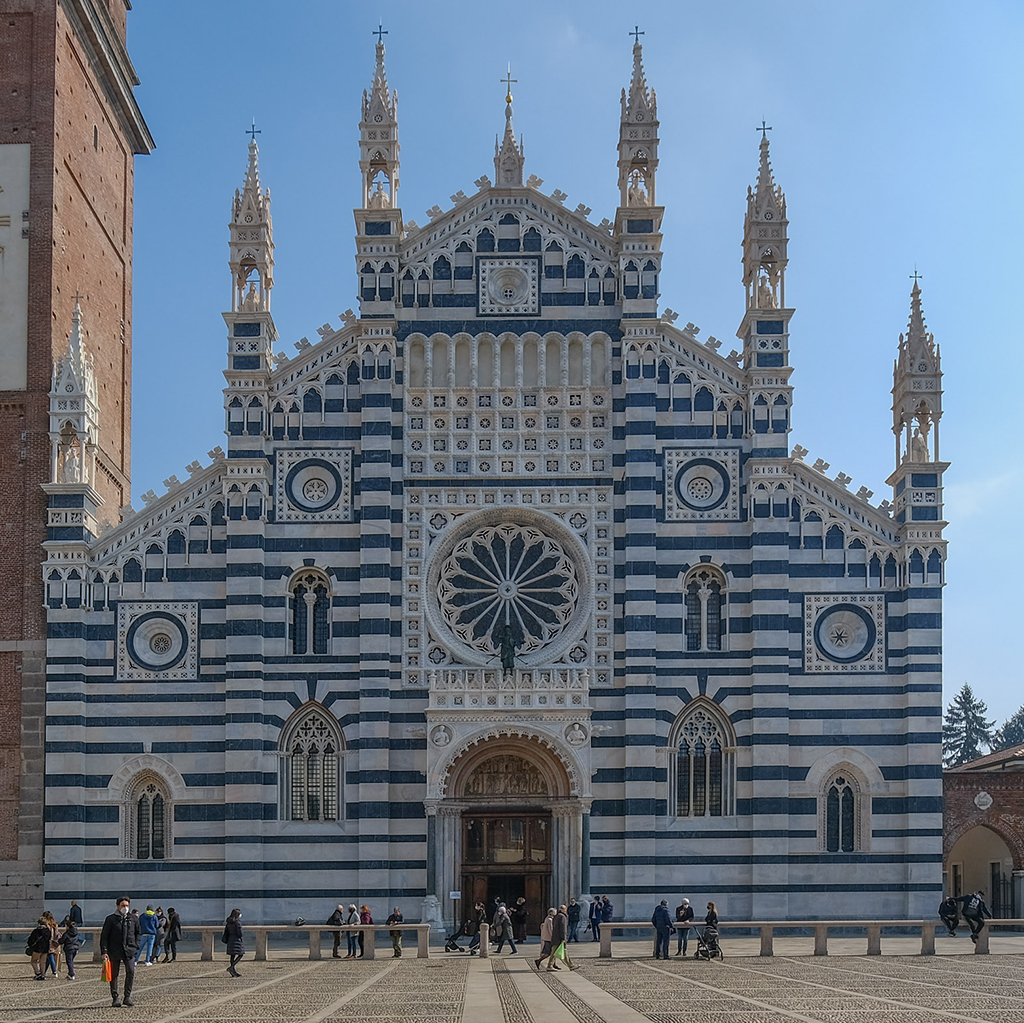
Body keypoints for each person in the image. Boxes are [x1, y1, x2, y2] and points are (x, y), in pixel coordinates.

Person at [100, 896, 140, 1007]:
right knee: (114, 974)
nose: (125, 908)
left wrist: (136, 946)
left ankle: (127, 997)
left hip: (130, 950)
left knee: (131, 972)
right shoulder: (111, 919)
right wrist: (104, 951)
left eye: (127, 905)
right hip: (115, 950)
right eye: (123, 906)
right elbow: (104, 936)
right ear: (118, 906)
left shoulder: (133, 919)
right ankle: (115, 997)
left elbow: (138, 933)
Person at [548, 905, 575, 971]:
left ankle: (571, 966)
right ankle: (549, 966)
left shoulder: (556, 916)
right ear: (564, 910)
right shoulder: (562, 917)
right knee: (555, 953)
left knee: (563, 952)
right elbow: (563, 928)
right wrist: (563, 938)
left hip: (555, 937)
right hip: (559, 938)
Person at [223, 908, 244, 976]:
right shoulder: (237, 923)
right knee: (240, 954)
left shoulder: (229, 922)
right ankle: (231, 968)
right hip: (236, 940)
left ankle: (233, 972)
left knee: (232, 956)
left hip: (230, 940)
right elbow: (239, 933)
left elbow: (226, 931)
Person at [42, 911, 60, 976]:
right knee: (48, 958)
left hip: (49, 943)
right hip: (55, 943)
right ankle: (44, 972)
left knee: (50, 956)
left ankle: (54, 971)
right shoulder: (55, 924)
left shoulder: (47, 925)